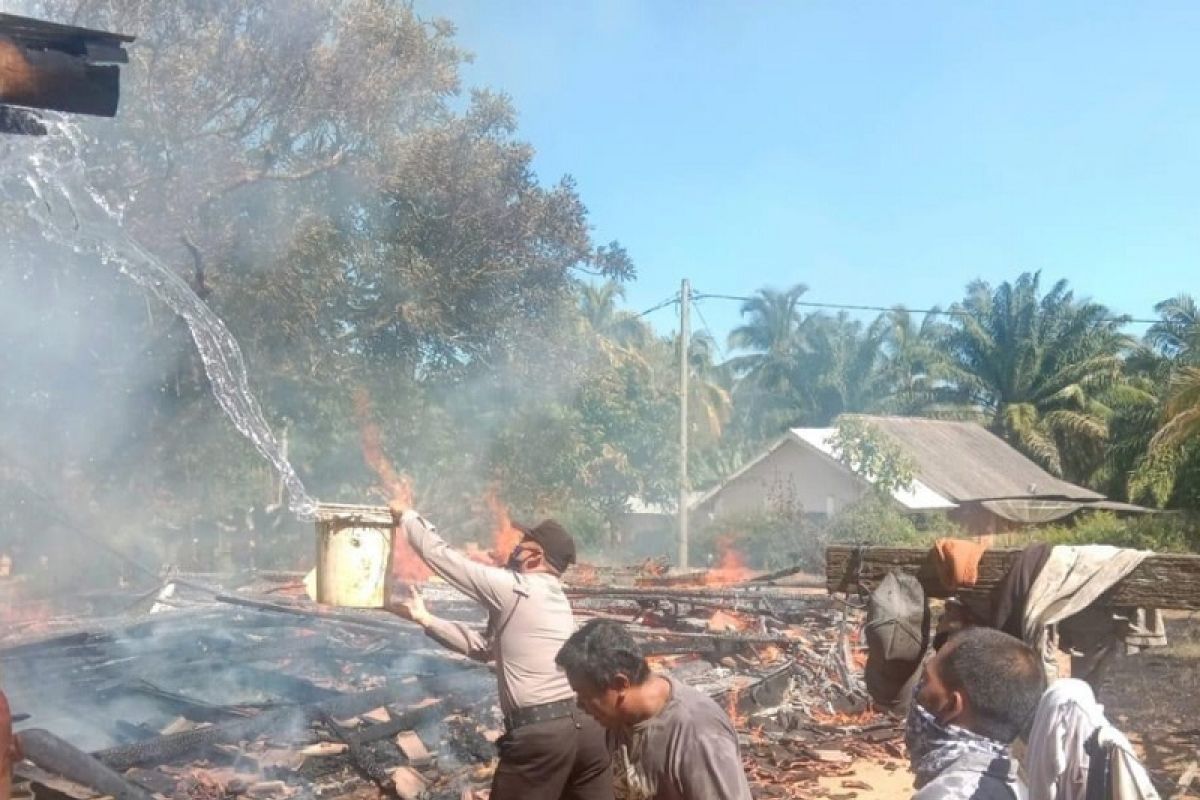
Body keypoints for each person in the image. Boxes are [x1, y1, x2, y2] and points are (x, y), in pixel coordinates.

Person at [388, 507, 612, 800]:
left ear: (535, 556)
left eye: (522, 545)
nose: (514, 549)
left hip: (542, 736)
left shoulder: (516, 589)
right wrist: (426, 619)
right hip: (590, 732)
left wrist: (407, 516)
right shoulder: (555, 598)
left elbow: (441, 558)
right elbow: (484, 649)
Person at [555, 618, 752, 800]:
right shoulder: (619, 720)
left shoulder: (698, 734)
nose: (580, 705)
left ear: (620, 684)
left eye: (586, 696)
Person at [906, 627, 1046, 800]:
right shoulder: (1018, 786)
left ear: (952, 706)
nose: (918, 689)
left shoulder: (949, 794)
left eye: (926, 680)